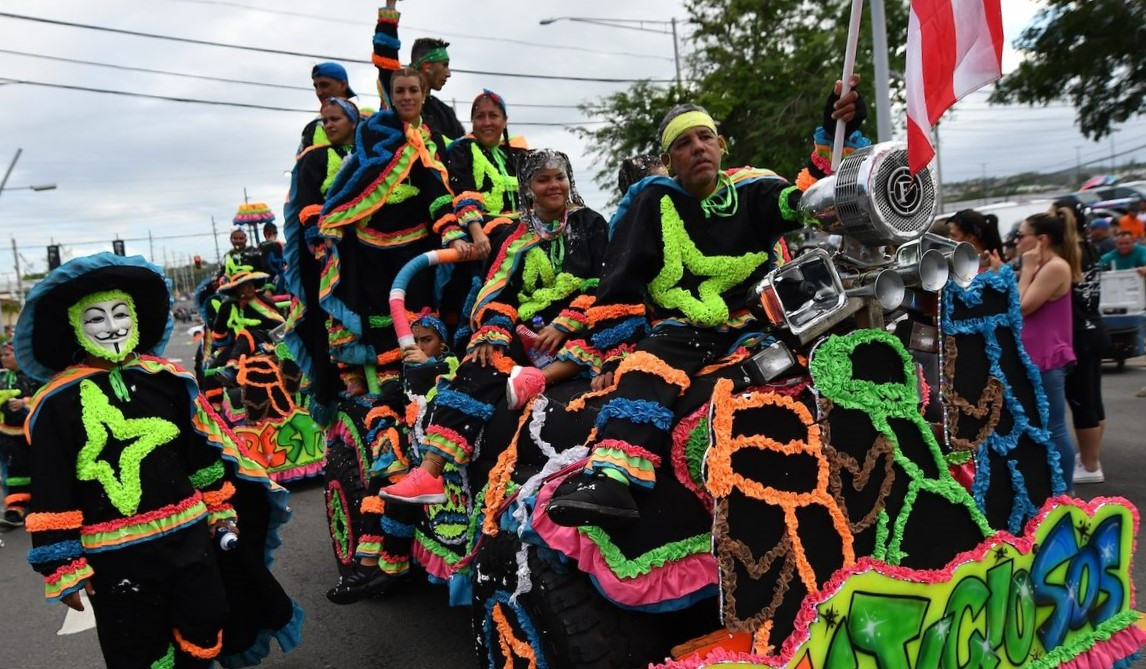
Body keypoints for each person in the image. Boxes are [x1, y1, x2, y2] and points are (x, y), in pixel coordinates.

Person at [545, 80, 867, 526]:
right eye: (683, 143)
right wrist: (614, 357)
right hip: (683, 328)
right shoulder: (652, 201)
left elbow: (808, 202)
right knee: (643, 370)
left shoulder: (754, 189)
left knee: (843, 345)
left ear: (721, 146)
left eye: (705, 138)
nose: (697, 148)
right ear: (669, 160)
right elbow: (619, 281)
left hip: (763, 321)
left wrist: (839, 130)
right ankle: (615, 478)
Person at [16, 253, 302, 668]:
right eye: (97, 318)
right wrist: (63, 563)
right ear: (76, 327)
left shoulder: (166, 380)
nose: (112, 327)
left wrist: (220, 510)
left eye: (120, 314)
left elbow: (200, 452)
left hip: (188, 534)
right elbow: (51, 485)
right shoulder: (55, 403)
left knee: (207, 619)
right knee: (137, 646)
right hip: (115, 556)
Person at [379, 149, 609, 505]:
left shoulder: (590, 224)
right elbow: (499, 294)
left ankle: (543, 378)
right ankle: (429, 471)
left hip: (581, 322)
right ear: (528, 188)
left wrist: (565, 323)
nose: (554, 185)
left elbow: (604, 282)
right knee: (481, 360)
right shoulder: (513, 234)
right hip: (528, 328)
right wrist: (494, 332)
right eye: (543, 179)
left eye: (559, 177)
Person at [283, 97, 362, 423]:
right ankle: (337, 384)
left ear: (353, 122)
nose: (328, 125)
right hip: (325, 255)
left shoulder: (367, 156)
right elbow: (306, 208)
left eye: (335, 119)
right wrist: (322, 242)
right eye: (325, 120)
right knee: (326, 319)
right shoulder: (313, 158)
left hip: (364, 251)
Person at [992, 213, 1079, 489]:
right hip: (1033, 359)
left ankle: (1064, 491)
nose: (1017, 241)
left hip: (1047, 359)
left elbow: (1021, 306)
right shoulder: (1043, 267)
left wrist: (1027, 270)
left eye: (1021, 235)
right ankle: (1048, 488)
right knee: (1037, 429)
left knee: (1053, 428)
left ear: (1041, 239)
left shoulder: (1055, 267)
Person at [1054, 200, 1108, 484]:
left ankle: (1090, 464)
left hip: (1080, 335)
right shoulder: (1090, 247)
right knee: (1093, 400)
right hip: (1096, 328)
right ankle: (1091, 456)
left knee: (1082, 401)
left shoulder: (1068, 255)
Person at [373, 1, 466, 140]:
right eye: (444, 65)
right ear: (427, 66)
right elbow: (385, 52)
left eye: (414, 91)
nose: (448, 73)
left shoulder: (445, 112)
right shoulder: (398, 93)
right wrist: (390, 6)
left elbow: (462, 148)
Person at [0, 341, 36, 528]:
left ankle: (28, 506)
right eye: (2, 355)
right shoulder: (3, 377)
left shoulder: (32, 376)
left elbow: (42, 396)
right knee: (11, 471)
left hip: (29, 432)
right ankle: (15, 508)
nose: (3, 358)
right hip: (6, 433)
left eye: (7, 354)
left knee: (31, 469)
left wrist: (23, 403)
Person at [298, 61, 359, 153]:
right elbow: (301, 163)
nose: (319, 92)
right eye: (316, 86)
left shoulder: (367, 121)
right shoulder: (312, 127)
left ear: (343, 85)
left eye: (324, 85)